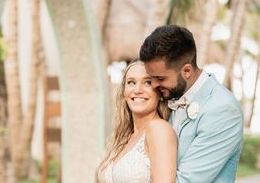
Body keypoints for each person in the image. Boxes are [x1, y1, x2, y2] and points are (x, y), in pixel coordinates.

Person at [140, 25, 244, 183]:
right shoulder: (167, 97)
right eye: (151, 78)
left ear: (186, 71)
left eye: (160, 78)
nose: (153, 85)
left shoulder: (222, 109)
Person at [97, 60, 177, 183]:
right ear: (124, 92)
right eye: (131, 82)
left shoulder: (159, 129)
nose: (138, 90)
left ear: (160, 93)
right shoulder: (124, 137)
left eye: (147, 83)